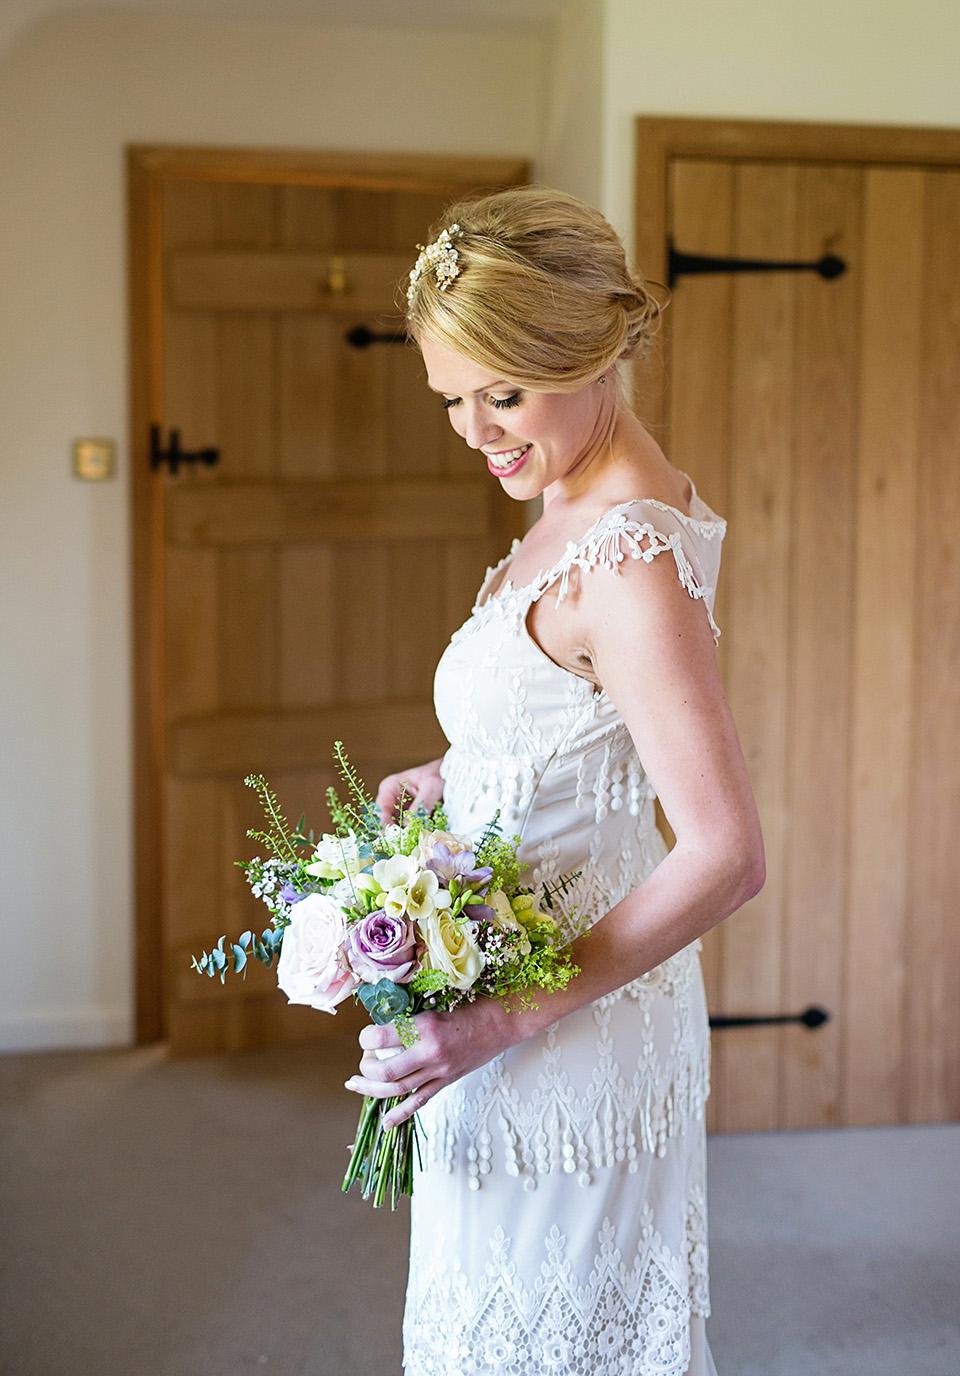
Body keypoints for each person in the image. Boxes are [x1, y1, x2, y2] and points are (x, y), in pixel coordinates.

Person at [345, 187, 764, 1376]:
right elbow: (589, 723)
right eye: (452, 399)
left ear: (592, 347)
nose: (478, 431)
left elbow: (727, 852)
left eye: (505, 393)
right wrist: (461, 774)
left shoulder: (626, 553)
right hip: (520, 989)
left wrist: (498, 1018)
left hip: (564, 1025)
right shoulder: (571, 498)